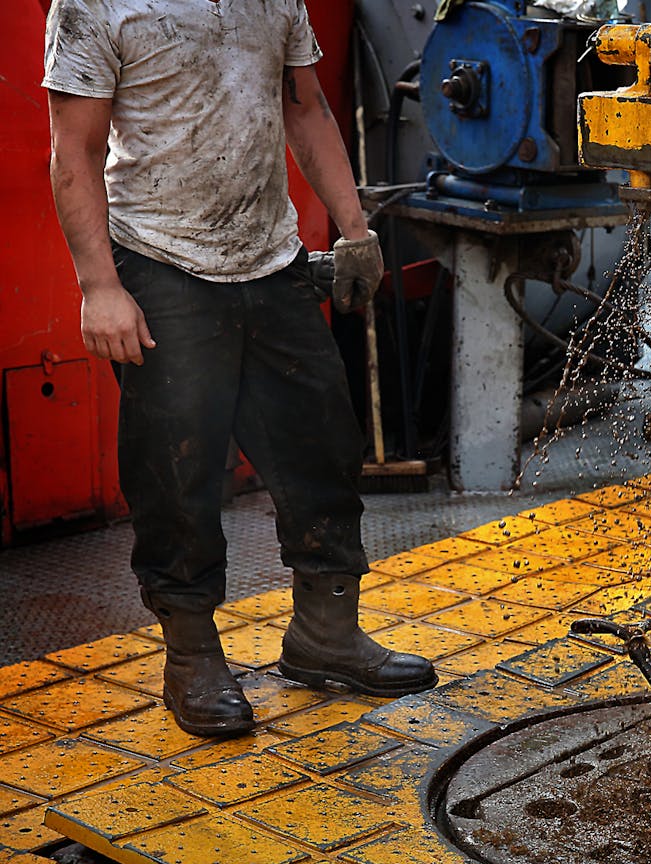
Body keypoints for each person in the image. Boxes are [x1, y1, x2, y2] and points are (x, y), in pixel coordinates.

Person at [43, 0, 436, 737]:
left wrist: (355, 230)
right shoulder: (94, 6)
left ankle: (326, 632)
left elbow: (308, 108)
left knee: (322, 445)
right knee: (178, 473)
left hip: (271, 258)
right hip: (160, 261)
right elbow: (75, 149)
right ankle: (191, 655)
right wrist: (100, 286)